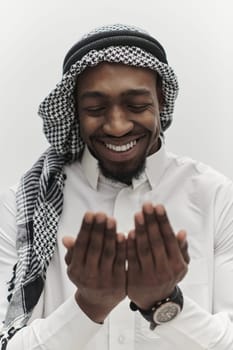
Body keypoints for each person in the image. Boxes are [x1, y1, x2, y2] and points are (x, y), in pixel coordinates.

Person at [0, 23, 233, 350]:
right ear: (75, 111)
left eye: (137, 105)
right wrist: (88, 306)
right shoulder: (25, 205)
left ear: (161, 100)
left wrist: (164, 303)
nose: (117, 126)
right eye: (95, 109)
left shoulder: (217, 197)